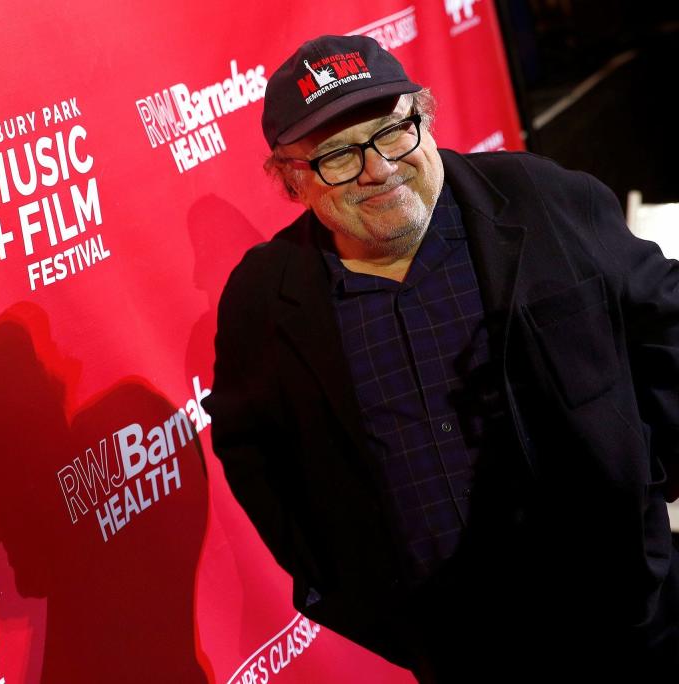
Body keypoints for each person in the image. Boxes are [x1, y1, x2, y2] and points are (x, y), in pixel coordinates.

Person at [202, 33, 679, 682]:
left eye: (394, 132)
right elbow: (255, 453)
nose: (379, 169)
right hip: (454, 650)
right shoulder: (263, 301)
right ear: (292, 178)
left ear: (423, 119)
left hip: (628, 621)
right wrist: (347, 589)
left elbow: (663, 322)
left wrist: (648, 484)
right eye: (339, 155)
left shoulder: (541, 198)